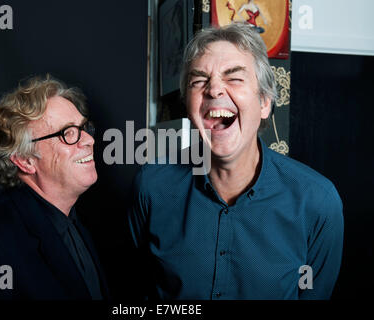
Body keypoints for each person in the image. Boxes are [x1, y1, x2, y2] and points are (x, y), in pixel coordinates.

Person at [128, 22, 344, 300]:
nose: (214, 90)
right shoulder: (151, 187)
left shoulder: (317, 202)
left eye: (234, 78)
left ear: (265, 103)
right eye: (199, 81)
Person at [0, 75, 108, 299]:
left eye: (84, 128)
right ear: (24, 160)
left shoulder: (72, 221)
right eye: (68, 133)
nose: (89, 140)